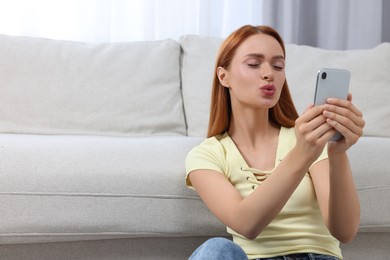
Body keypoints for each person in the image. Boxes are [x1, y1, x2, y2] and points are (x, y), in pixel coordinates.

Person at [185, 25, 365, 260]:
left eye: (278, 65)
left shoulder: (306, 138)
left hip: (318, 257)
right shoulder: (206, 155)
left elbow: (345, 231)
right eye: (253, 64)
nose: (269, 73)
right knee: (216, 250)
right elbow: (246, 224)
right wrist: (302, 154)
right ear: (223, 76)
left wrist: (338, 154)